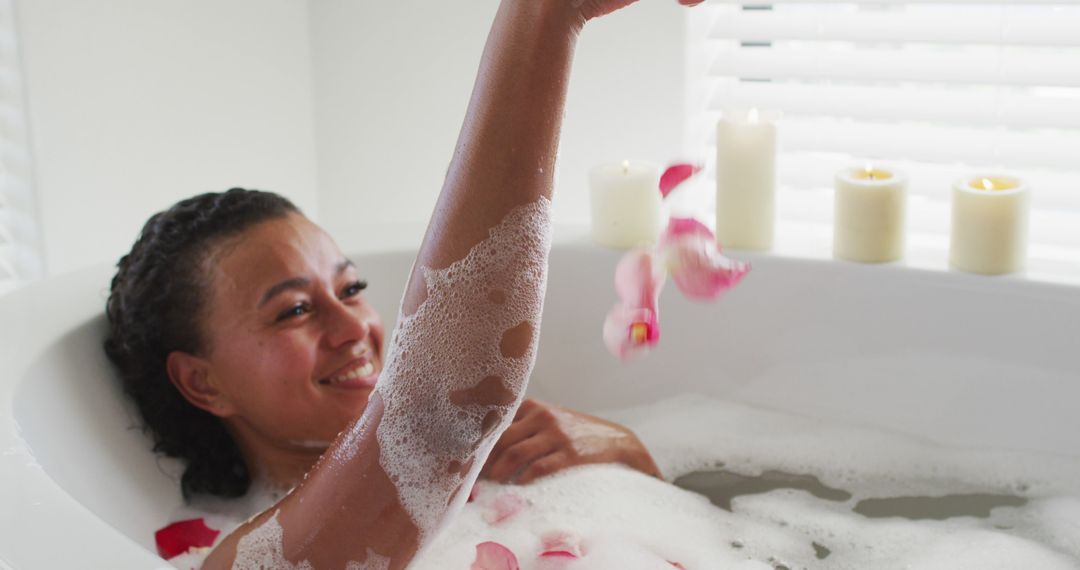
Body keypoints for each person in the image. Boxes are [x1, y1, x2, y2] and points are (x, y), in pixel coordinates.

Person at [105, 0, 701, 568]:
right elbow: (441, 415)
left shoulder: (496, 471)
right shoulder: (246, 563)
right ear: (203, 383)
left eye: (351, 287)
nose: (354, 328)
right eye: (293, 311)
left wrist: (627, 451)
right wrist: (546, 15)